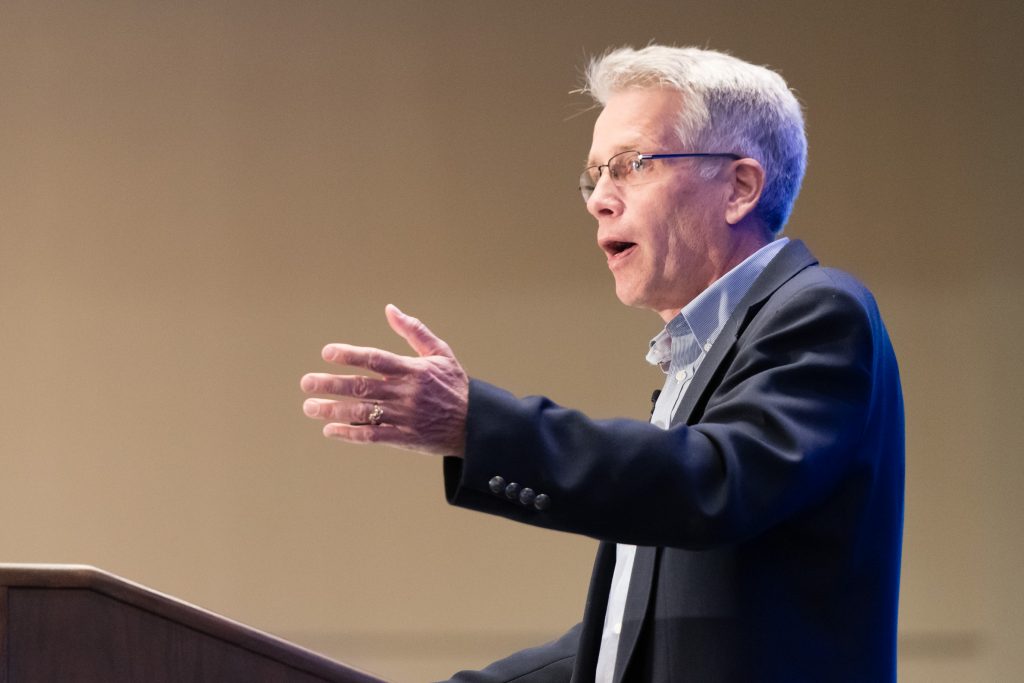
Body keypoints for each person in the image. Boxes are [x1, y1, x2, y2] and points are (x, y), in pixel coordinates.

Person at [301, 45, 904, 683]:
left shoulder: (818, 311)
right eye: (595, 176)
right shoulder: (698, 359)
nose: (599, 201)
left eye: (630, 165)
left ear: (739, 187)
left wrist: (478, 425)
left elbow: (711, 482)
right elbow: (633, 626)